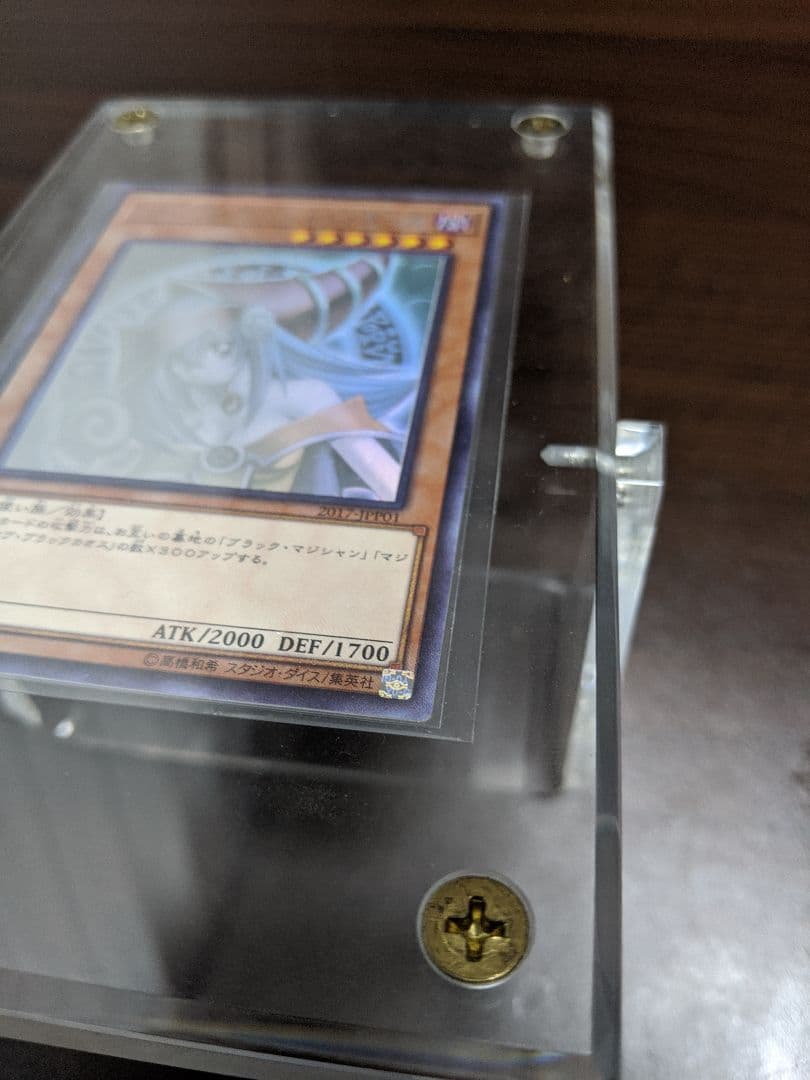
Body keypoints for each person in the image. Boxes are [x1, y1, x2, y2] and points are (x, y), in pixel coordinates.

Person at [121, 254, 412, 500]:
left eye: (221, 341)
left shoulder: (303, 396)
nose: (221, 347)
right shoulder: (175, 416)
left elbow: (385, 478)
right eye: (177, 356)